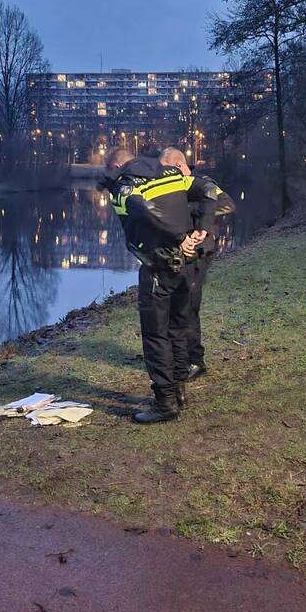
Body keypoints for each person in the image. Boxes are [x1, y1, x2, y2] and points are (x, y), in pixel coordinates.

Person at [101, 147, 218, 423]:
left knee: (155, 334)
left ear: (118, 166)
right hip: (187, 266)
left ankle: (164, 402)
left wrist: (178, 237)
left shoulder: (125, 186)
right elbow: (210, 189)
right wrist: (201, 228)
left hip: (159, 266)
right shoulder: (171, 175)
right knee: (178, 328)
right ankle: (178, 391)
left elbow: (141, 211)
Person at [158, 147, 236, 381]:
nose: (164, 175)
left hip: (200, 253)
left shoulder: (202, 182)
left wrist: (193, 214)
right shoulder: (170, 185)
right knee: (176, 307)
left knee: (189, 307)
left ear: (180, 166)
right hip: (181, 252)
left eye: (168, 170)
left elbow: (227, 204)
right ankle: (178, 356)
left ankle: (195, 360)